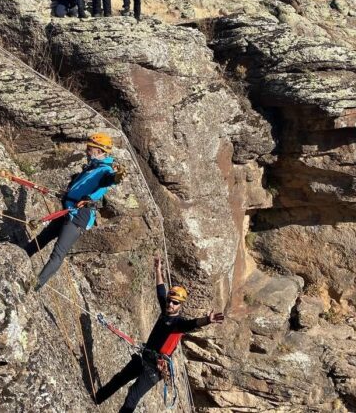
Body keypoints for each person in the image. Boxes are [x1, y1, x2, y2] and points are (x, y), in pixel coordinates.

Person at [94, 255, 225, 412]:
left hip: (154, 369)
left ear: (180, 305)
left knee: (132, 396)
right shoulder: (165, 311)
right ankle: (96, 399)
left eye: (175, 303)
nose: (170, 304)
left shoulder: (178, 324)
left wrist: (207, 320)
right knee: (119, 379)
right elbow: (161, 291)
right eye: (170, 301)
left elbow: (192, 324)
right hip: (145, 357)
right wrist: (157, 270)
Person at [24, 132, 117, 291]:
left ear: (100, 151)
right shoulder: (92, 167)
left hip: (79, 215)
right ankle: (21, 256)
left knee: (58, 253)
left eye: (90, 148)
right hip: (70, 208)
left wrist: (117, 177)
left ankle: (33, 286)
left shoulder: (105, 170)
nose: (87, 151)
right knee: (43, 237)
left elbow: (108, 181)